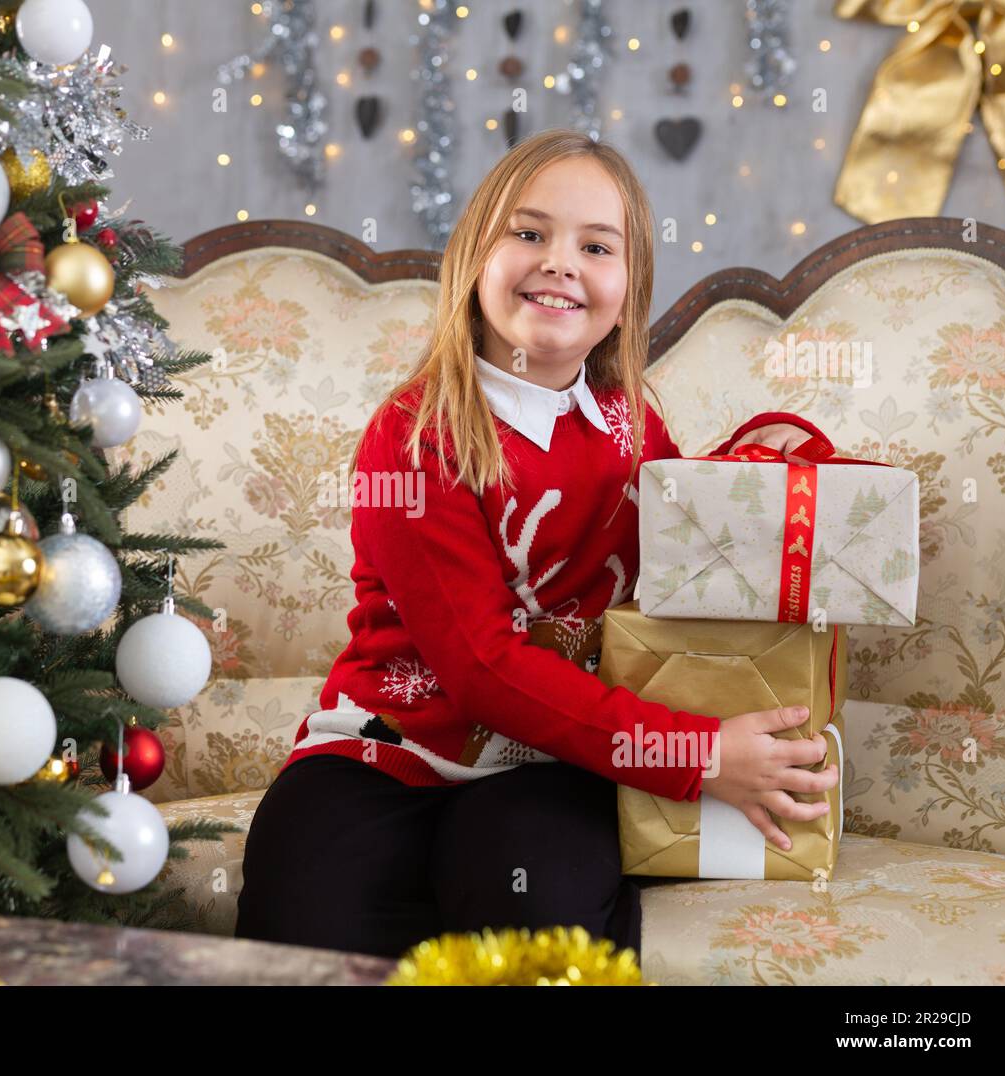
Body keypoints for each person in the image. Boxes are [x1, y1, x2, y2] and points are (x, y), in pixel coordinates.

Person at [234, 128, 839, 962]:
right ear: (474, 258)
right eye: (529, 233)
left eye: (596, 245)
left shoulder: (638, 428)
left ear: (628, 292)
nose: (559, 262)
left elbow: (684, 592)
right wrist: (693, 756)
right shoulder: (415, 435)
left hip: (556, 762)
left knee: (529, 906)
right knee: (308, 906)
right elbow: (481, 669)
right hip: (387, 751)